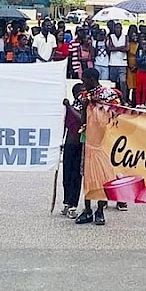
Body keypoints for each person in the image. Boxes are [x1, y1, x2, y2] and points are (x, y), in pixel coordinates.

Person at [76, 67, 123, 224]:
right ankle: (87, 209)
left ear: (91, 79)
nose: (83, 83)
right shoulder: (84, 96)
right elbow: (81, 120)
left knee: (103, 175)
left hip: (104, 140)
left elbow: (118, 112)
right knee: (88, 175)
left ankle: (100, 210)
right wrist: (84, 105)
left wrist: (98, 105)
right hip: (88, 139)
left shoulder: (108, 94)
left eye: (84, 80)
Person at [61, 83, 85, 219]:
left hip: (80, 144)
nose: (83, 93)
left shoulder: (85, 106)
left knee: (76, 175)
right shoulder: (72, 105)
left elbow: (81, 119)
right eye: (80, 91)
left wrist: (68, 107)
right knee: (67, 174)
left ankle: (73, 204)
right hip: (69, 143)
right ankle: (66, 201)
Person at [107, 22, 129, 104]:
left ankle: (124, 99)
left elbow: (127, 48)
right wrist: (121, 48)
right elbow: (109, 48)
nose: (117, 29)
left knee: (123, 82)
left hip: (123, 63)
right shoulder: (111, 36)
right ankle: (115, 99)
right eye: (116, 28)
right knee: (113, 82)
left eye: (119, 28)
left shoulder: (125, 37)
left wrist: (115, 48)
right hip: (113, 63)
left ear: (121, 29)